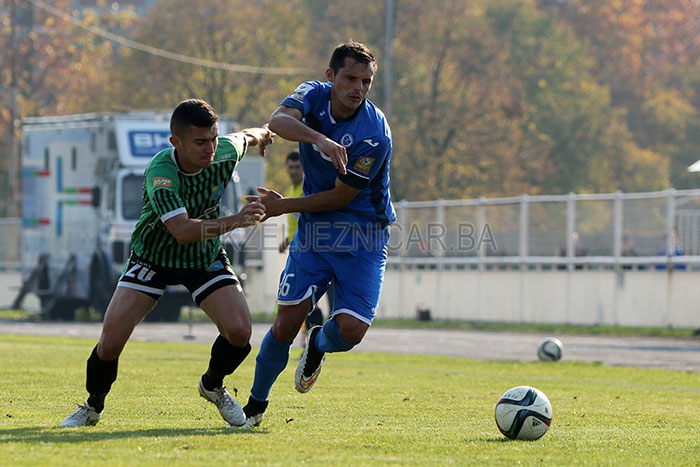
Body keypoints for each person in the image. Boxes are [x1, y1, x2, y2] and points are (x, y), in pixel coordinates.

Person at [60, 99, 274, 428]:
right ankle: (92, 405)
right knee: (111, 342)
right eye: (201, 142)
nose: (210, 149)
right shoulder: (162, 172)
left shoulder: (224, 152)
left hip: (203, 258)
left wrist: (264, 134)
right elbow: (183, 230)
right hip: (154, 257)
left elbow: (246, 136)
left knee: (240, 332)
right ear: (176, 142)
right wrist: (237, 220)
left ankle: (212, 386)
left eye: (214, 139)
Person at [238, 41, 395, 428]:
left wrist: (282, 208)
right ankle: (255, 407)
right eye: (351, 78)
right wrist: (321, 139)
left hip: (363, 237)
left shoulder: (374, 134)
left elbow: (341, 197)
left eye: (367, 81)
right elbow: (277, 121)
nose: (358, 88)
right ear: (331, 76)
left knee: (352, 331)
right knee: (286, 324)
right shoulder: (313, 93)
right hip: (314, 236)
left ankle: (319, 343)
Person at [278, 151, 327, 332]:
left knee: (307, 301)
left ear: (304, 168)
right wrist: (287, 240)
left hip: (310, 251)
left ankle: (314, 342)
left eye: (297, 167)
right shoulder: (291, 191)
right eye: (290, 167)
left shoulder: (307, 189)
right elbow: (296, 222)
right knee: (300, 301)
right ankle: (308, 342)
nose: (293, 171)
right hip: (297, 250)